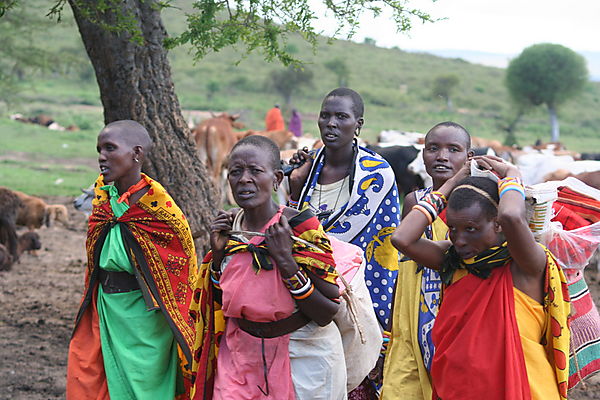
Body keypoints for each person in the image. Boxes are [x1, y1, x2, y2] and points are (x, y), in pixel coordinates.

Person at [391, 156, 570, 400]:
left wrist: (512, 174)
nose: (459, 239)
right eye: (453, 228)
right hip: (457, 389)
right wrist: (450, 184)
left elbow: (511, 216)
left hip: (524, 389)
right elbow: (402, 239)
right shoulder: (454, 261)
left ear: (497, 225)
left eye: (471, 229)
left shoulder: (525, 265)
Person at [190, 135, 347, 399]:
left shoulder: (299, 228)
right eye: (236, 171)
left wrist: (285, 261)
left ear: (276, 179)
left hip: (302, 356)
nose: (244, 179)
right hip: (239, 357)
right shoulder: (230, 229)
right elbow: (222, 303)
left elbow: (327, 311)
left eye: (255, 171)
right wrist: (217, 257)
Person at [66, 120, 197, 399]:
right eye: (99, 149)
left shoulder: (160, 209)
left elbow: (180, 269)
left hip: (146, 319)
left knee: (145, 390)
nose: (102, 156)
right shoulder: (103, 197)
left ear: (136, 153)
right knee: (90, 379)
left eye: (110, 148)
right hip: (103, 307)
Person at [288, 87, 401, 398]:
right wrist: (294, 185)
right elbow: (289, 226)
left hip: (355, 295)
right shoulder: (308, 170)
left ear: (358, 125)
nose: (331, 123)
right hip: (306, 293)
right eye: (325, 116)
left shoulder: (378, 174)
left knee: (350, 380)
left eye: (342, 116)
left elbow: (381, 247)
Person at [381, 122, 472, 400]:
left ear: (468, 158)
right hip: (412, 318)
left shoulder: (474, 208)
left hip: (456, 321)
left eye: (453, 149)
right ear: (422, 155)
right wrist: (390, 327)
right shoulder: (414, 201)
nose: (441, 156)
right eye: (433, 148)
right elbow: (404, 263)